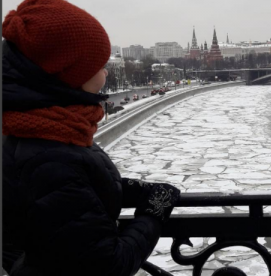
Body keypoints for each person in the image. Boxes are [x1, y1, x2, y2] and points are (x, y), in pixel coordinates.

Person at [2, 0, 181, 275]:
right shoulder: (49, 151)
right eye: (98, 65)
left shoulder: (50, 128)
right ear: (66, 74)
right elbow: (108, 264)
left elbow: (71, 196)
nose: (106, 72)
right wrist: (154, 212)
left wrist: (129, 189)